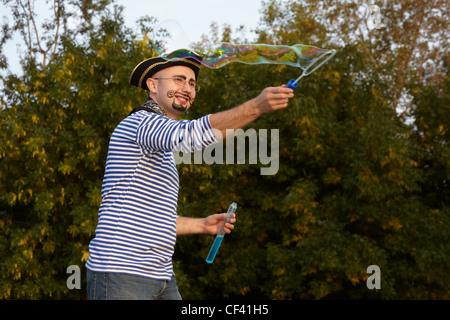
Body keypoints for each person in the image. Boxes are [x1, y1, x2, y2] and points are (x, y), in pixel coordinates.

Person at [85, 50, 294, 300]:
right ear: (152, 85)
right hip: (121, 272)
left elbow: (153, 220)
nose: (187, 88)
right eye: (178, 79)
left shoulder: (159, 146)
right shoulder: (141, 123)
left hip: (161, 275)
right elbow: (192, 135)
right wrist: (256, 106)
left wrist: (202, 225)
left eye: (192, 83)